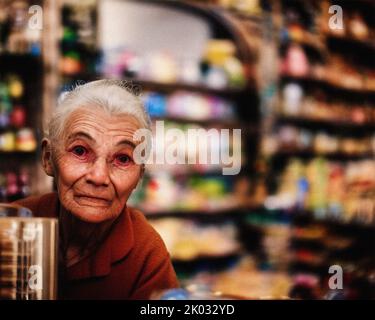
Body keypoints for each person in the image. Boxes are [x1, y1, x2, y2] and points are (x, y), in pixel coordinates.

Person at [14, 79, 179, 299]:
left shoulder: (146, 254)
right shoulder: (13, 226)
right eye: (80, 151)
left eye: (122, 158)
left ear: (139, 175)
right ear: (48, 158)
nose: (99, 177)